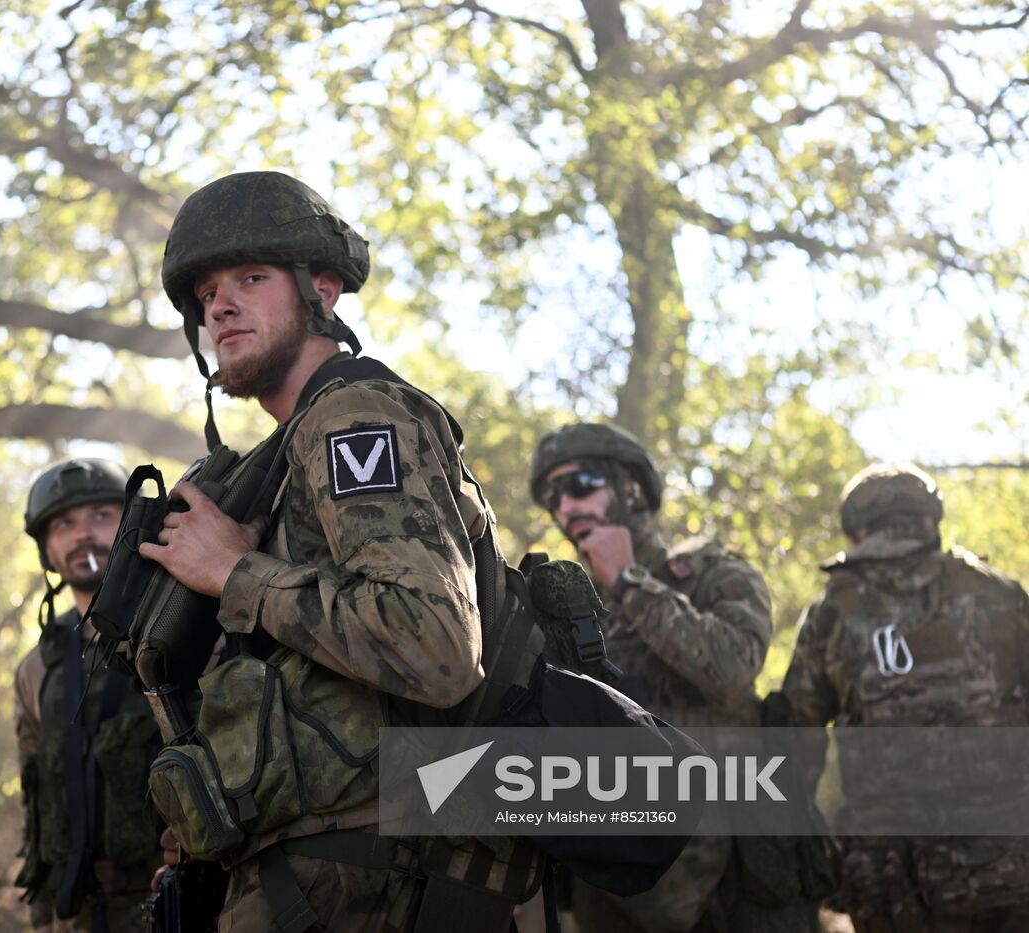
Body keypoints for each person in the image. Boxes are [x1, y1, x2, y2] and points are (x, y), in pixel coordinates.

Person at [137, 171, 536, 932]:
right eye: (207, 292)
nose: (219, 305)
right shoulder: (281, 458)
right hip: (315, 879)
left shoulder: (354, 416)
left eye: (250, 278)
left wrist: (234, 573)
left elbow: (436, 645)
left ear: (322, 291)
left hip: (373, 882)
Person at [529, 424, 817, 932]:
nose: (566, 506)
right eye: (553, 497)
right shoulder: (567, 609)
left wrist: (630, 582)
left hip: (716, 888)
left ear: (631, 489)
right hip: (608, 884)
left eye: (580, 485)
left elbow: (733, 667)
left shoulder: (712, 574)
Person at [782, 463, 1029, 933]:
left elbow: (793, 746)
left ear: (857, 533)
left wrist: (808, 856)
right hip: (1008, 866)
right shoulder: (998, 595)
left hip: (891, 881)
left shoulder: (831, 613)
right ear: (931, 523)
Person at [13, 458, 162, 932]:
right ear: (46, 550)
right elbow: (37, 798)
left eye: (101, 515)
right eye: (64, 524)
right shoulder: (38, 667)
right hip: (74, 913)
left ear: (131, 524)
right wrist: (42, 916)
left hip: (168, 903)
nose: (82, 534)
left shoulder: (179, 628)